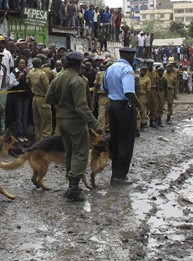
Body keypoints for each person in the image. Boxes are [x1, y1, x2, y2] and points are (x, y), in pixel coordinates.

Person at [46, 51, 101, 201]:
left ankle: (72, 184)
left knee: (70, 152)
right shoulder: (78, 80)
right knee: (81, 153)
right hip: (75, 122)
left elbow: (49, 98)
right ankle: (73, 188)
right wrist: (94, 122)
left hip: (61, 120)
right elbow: (81, 107)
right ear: (78, 64)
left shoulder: (58, 78)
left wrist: (62, 104)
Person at [103, 47, 143, 185]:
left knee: (116, 140)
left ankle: (115, 174)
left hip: (112, 105)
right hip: (124, 107)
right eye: (133, 56)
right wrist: (140, 105)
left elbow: (105, 88)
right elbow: (129, 93)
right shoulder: (127, 70)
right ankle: (120, 177)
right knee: (126, 142)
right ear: (128, 56)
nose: (134, 59)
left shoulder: (110, 68)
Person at [28, 57, 52, 141]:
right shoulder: (42, 74)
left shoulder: (30, 72)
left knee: (37, 123)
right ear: (40, 64)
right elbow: (47, 88)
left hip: (35, 98)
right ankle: (45, 142)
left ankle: (38, 141)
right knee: (46, 122)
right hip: (43, 98)